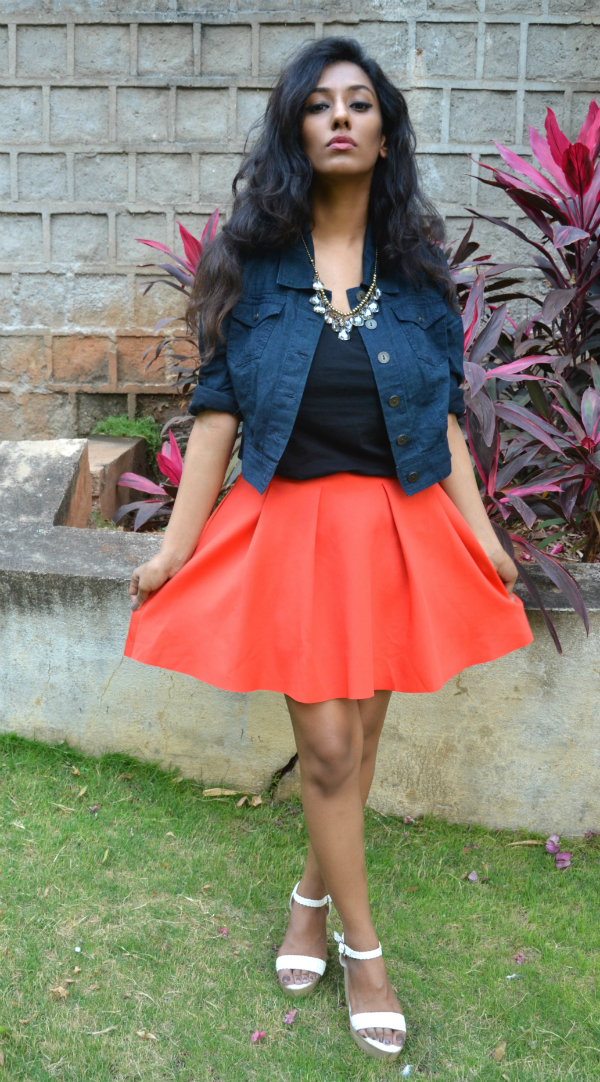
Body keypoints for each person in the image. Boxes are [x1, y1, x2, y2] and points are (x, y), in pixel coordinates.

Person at [123, 37, 533, 1062]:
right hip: (292, 527)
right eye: (319, 104)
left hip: (398, 526)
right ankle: (365, 951)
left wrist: (485, 540)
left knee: (364, 738)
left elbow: (441, 426)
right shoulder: (251, 269)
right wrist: (175, 550)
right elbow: (215, 417)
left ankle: (310, 893)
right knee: (333, 746)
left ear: (385, 129)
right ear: (295, 132)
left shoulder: (417, 276)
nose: (340, 117)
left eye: (359, 102)